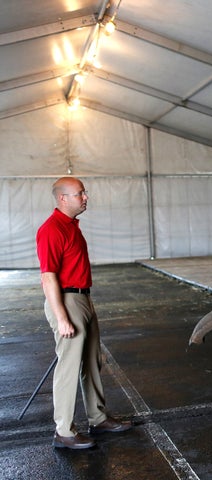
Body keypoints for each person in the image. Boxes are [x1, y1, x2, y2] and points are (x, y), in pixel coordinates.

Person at [36, 177, 131, 449]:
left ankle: (98, 417)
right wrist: (62, 317)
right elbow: (49, 277)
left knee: (92, 362)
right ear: (62, 198)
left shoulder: (72, 227)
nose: (85, 197)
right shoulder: (52, 229)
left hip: (83, 298)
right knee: (68, 368)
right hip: (66, 300)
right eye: (79, 194)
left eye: (84, 193)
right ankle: (64, 431)